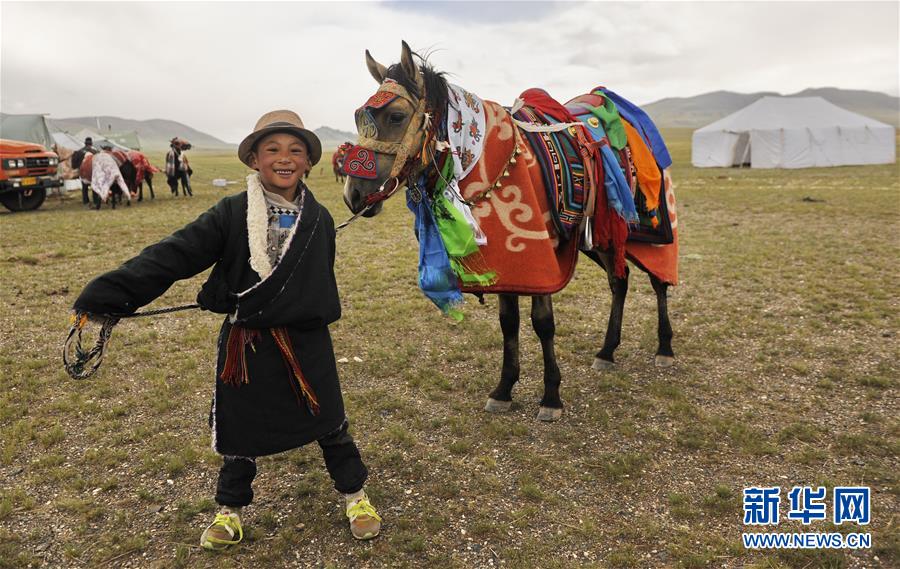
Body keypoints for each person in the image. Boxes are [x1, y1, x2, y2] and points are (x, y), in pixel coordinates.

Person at [71, 110, 381, 549]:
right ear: (254, 159)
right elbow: (174, 255)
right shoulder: (231, 213)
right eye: (272, 149)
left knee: (329, 420)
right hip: (247, 342)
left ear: (309, 161)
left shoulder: (321, 219)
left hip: (306, 339)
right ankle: (230, 510)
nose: (285, 158)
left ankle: (355, 496)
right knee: (240, 428)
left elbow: (317, 283)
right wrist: (106, 296)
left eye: (295, 150)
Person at [71, 137, 99, 205]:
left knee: (84, 187)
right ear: (91, 143)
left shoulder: (79, 152)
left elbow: (73, 164)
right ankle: (95, 201)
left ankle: (86, 201)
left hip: (82, 172)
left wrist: (77, 167)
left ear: (85, 143)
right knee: (94, 186)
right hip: (93, 172)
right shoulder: (96, 152)